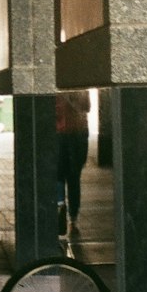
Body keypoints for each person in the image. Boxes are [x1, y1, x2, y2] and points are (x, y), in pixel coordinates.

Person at [56, 89, 91, 236]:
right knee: (63, 176)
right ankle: (63, 211)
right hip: (66, 134)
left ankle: (70, 216)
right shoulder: (76, 87)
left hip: (74, 134)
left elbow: (86, 107)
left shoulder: (79, 87)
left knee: (71, 177)